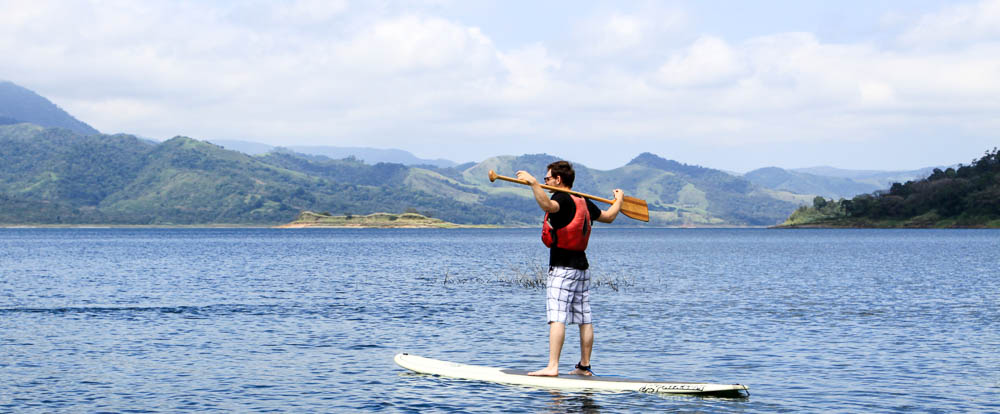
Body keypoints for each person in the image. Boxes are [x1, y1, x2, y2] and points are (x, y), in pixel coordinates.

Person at [516, 161, 623, 377]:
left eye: (547, 179)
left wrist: (533, 184)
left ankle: (552, 366)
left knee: (557, 317)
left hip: (562, 269)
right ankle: (584, 367)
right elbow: (609, 216)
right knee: (584, 318)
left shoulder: (561, 198)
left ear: (558, 180)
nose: (546, 182)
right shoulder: (582, 200)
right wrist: (619, 200)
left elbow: (548, 206)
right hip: (582, 269)